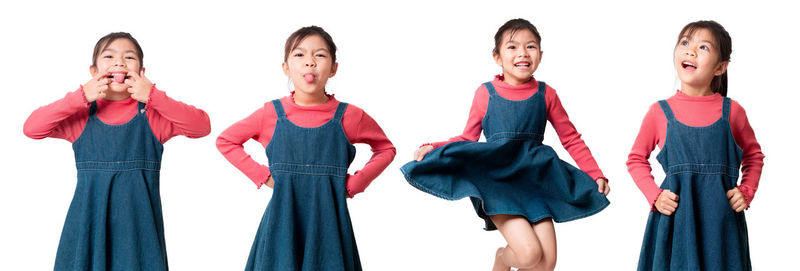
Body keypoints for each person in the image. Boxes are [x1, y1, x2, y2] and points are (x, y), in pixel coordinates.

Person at [400, 18, 610, 271]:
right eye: (512, 47)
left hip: (536, 180)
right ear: (497, 57)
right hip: (497, 182)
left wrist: (595, 173)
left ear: (541, 55)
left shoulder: (547, 94)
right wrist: (434, 146)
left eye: (530, 46)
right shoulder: (485, 93)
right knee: (528, 254)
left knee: (546, 264)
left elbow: (571, 138)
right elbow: (468, 137)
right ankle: (501, 258)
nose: (522, 52)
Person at [23, 32, 211, 270]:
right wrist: (80, 96)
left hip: (138, 233)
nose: (119, 62)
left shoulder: (152, 114)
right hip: (88, 226)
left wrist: (152, 95)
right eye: (109, 56)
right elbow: (32, 128)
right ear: (93, 72)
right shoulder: (82, 115)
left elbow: (201, 126)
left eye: (129, 57)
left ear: (142, 73)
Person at [216, 26, 396, 271]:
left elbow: (385, 148)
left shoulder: (349, 116)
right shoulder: (271, 114)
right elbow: (226, 140)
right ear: (286, 68)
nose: (310, 62)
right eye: (299, 55)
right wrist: (263, 176)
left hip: (330, 228)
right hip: (282, 227)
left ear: (333, 68)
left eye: (320, 55)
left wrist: (357, 183)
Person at [627, 20, 764, 271]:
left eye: (704, 47)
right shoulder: (659, 112)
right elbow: (636, 159)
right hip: (676, 221)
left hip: (721, 225)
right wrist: (654, 196)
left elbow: (754, 156)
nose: (691, 50)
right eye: (685, 42)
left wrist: (747, 191)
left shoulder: (732, 112)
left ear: (720, 67)